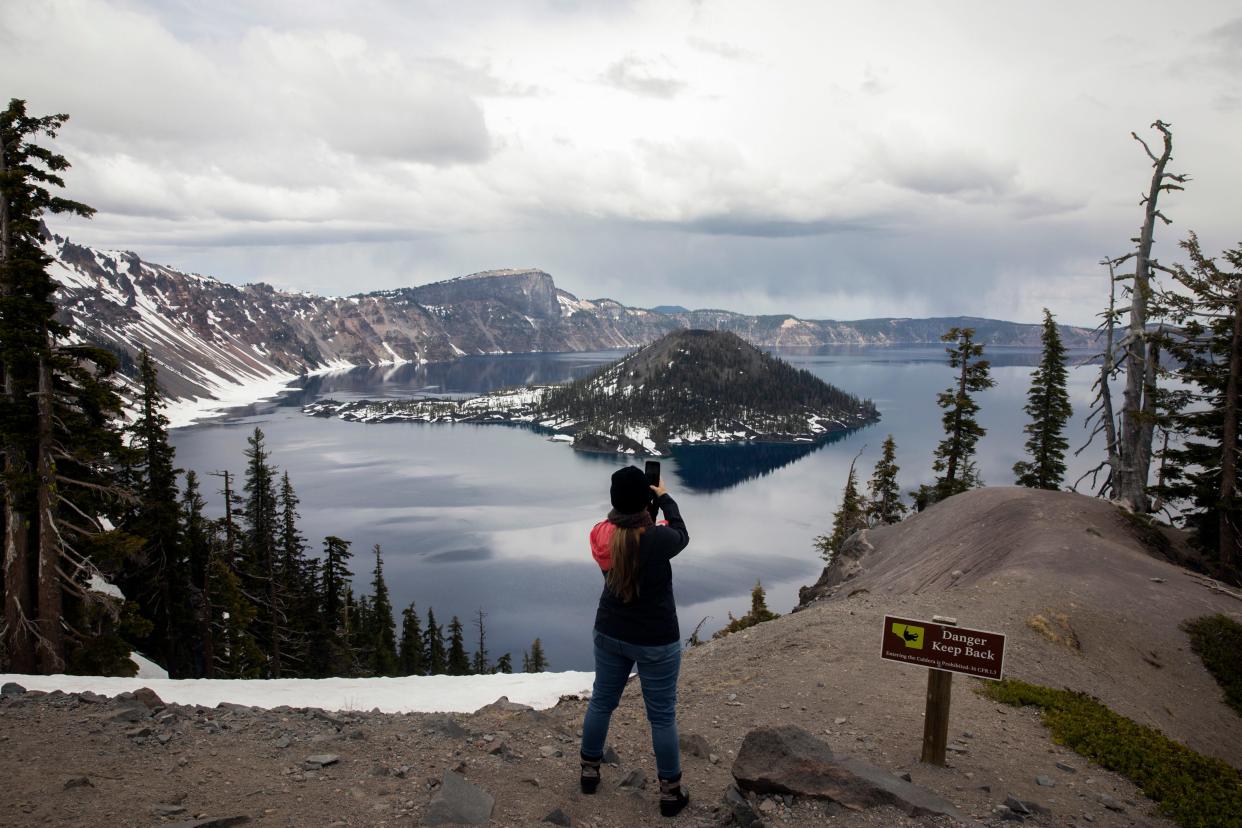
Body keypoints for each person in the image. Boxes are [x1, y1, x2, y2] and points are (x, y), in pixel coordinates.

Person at [579, 465, 691, 818]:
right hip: (656, 640)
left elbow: (625, 532)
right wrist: (664, 497)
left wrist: (642, 509)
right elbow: (680, 533)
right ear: (644, 500)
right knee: (661, 717)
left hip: (610, 633)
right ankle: (670, 794)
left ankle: (588, 772)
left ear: (614, 502)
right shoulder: (657, 540)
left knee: (601, 703)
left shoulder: (601, 534)